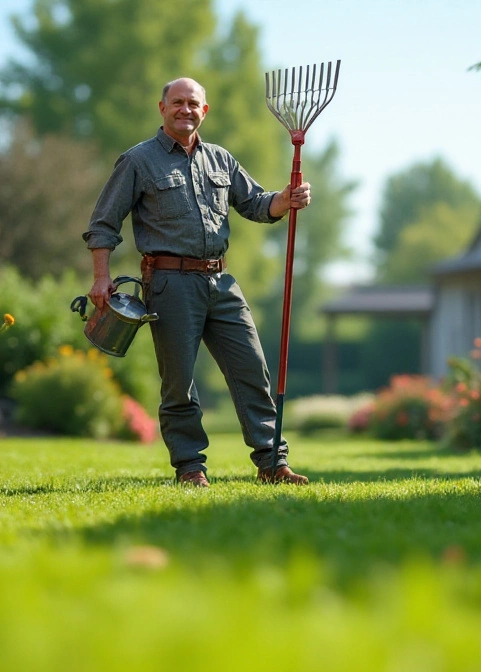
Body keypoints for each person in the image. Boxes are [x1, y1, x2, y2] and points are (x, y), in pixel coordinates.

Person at [83, 77, 311, 488]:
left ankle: (272, 464)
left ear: (204, 111)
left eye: (193, 104)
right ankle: (190, 467)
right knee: (179, 382)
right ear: (162, 108)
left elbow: (258, 205)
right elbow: (103, 224)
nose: (185, 109)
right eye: (177, 103)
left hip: (221, 282)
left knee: (252, 369)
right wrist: (101, 278)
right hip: (169, 283)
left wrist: (287, 197)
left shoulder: (221, 159)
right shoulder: (138, 161)